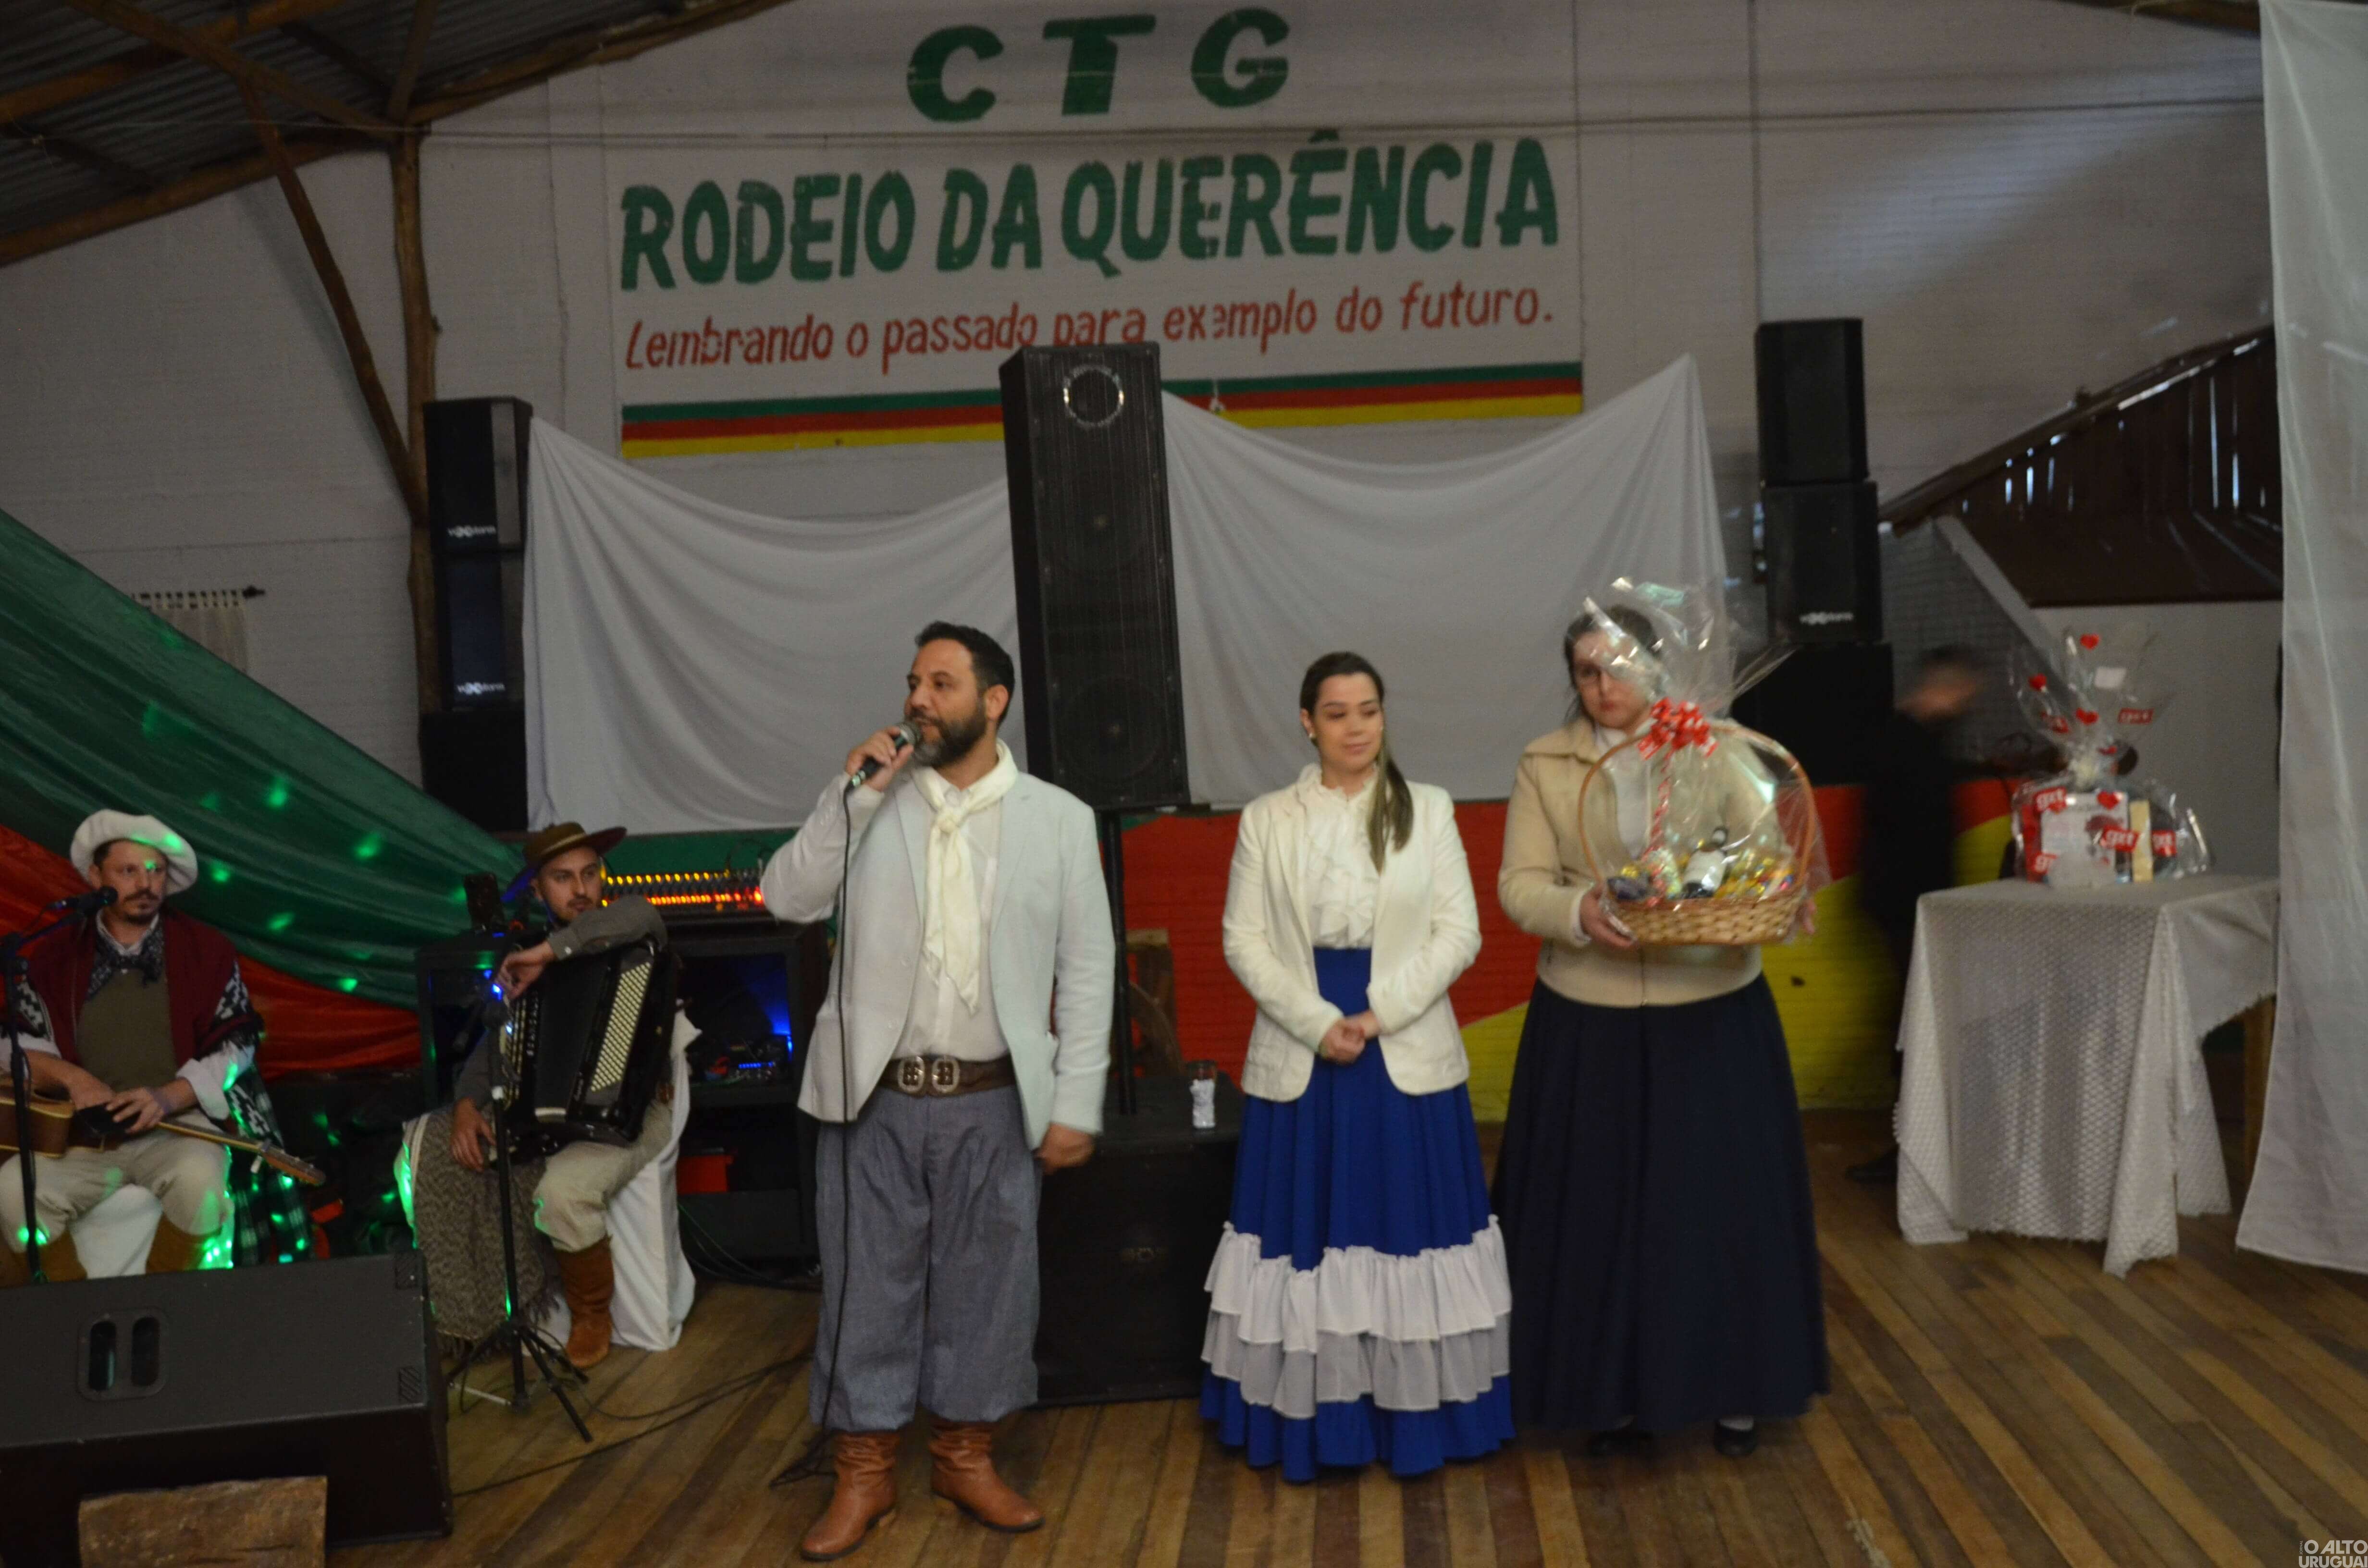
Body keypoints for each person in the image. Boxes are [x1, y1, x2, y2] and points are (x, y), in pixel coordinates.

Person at [761, 623, 1112, 1563]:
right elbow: (785, 898)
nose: (918, 699)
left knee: (990, 1287)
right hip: (872, 1095)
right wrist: (853, 797)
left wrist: (1076, 1099)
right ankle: (864, 1474)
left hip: (994, 1094)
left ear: (992, 702)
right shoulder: (871, 801)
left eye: (942, 684)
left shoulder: (1058, 819)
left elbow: (1086, 971)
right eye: (914, 681)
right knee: (865, 1291)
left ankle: (965, 1457)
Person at [1492, 609, 1826, 1459]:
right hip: (1585, 1017)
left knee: (1719, 1213)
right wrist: (1577, 908)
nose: (1603, 686)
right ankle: (1608, 1400)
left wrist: (1783, 900)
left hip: (1712, 1014)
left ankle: (1738, 1391)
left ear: (1655, 665)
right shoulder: (1544, 761)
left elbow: (1766, 859)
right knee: (1597, 1219)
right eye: (1584, 671)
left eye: (1616, 666)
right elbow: (1518, 885)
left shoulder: (1720, 746)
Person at [1200, 651, 1512, 1482]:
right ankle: (1314, 1426)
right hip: (1303, 1048)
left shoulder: (1430, 809)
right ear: (1307, 722)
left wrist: (1377, 1015)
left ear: (1383, 715)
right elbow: (1242, 939)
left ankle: (1420, 1420)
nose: (1354, 726)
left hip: (1401, 1044)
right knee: (1311, 1241)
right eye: (1335, 712)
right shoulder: (1266, 818)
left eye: (1367, 709)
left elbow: (1460, 932)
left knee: (1407, 1233)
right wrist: (1315, 1022)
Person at [410, 821, 685, 1371]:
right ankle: (472, 1319)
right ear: (538, 891)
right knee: (446, 1154)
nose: (580, 889)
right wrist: (467, 1106)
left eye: (589, 873)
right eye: (562, 878)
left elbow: (641, 915)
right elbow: (490, 1050)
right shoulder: (523, 962)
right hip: (553, 1118)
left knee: (562, 1192)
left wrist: (550, 951)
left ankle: (591, 1316)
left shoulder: (630, 927)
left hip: (634, 1112)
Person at [1, 811, 301, 1282]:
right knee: (12, 1192)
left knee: (201, 1188)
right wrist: (74, 1081)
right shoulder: (55, 956)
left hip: (177, 1129)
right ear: (96, 877)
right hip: (84, 1138)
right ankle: (77, 1312)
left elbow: (238, 1044)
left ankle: (160, 1305)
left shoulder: (206, 950)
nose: (146, 884)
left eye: (155, 871)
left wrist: (168, 1097)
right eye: (129, 871)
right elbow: (17, 1043)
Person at [1850, 646, 1981, 1184]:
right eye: (1965, 690)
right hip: (1911, 905)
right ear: (1947, 687)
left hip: (1908, 904)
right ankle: (1912, 1151)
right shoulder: (1910, 743)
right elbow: (1914, 835)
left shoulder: (1904, 738)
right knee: (1912, 1027)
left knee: (1911, 1024)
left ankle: (1915, 1147)